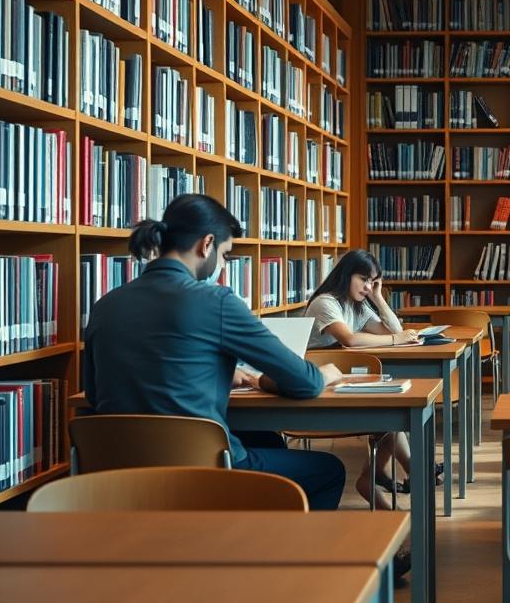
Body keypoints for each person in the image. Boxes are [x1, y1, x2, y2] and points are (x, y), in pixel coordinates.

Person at [83, 194, 347, 511]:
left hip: (118, 473)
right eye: (225, 255)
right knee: (328, 470)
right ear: (206, 244)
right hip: (201, 472)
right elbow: (305, 383)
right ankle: (265, 541)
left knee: (268, 440)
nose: (222, 266)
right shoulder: (215, 301)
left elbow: (95, 395)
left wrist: (214, 374)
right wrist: (324, 374)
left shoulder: (105, 305)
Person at [303, 249, 426, 508]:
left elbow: (395, 330)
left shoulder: (357, 306)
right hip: (318, 390)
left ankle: (391, 480)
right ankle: (414, 471)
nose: (368, 286)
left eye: (372, 281)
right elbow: (350, 339)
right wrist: (396, 339)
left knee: (390, 412)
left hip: (341, 384)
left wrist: (378, 298)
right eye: (363, 279)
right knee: (389, 415)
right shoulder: (326, 302)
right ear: (346, 274)